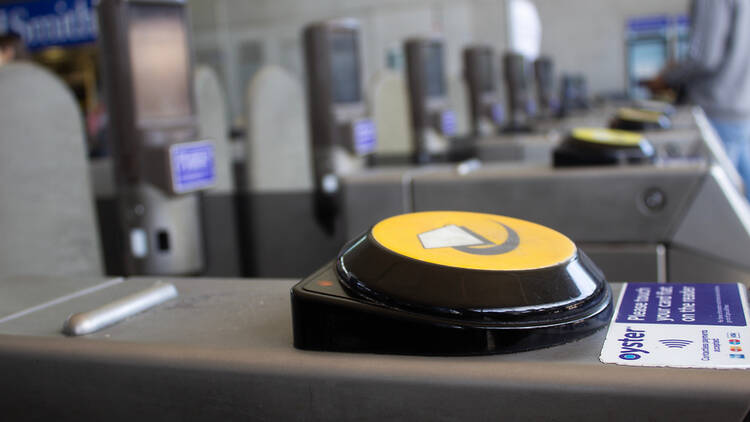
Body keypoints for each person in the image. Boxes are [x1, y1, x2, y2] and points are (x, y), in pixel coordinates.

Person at [646, 0, 750, 201]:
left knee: (719, 205)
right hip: (742, 108)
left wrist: (666, 78)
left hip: (715, 109)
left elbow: (704, 58)